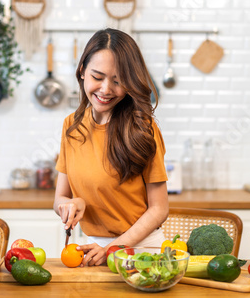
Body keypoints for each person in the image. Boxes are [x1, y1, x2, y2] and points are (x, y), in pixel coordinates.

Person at [53, 28, 169, 267]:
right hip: (92, 250)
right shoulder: (71, 126)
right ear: (83, 71)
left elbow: (159, 209)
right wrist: (74, 204)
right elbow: (60, 198)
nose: (106, 89)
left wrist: (112, 249)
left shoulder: (143, 129)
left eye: (118, 81)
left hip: (142, 250)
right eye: (98, 77)